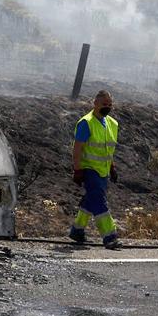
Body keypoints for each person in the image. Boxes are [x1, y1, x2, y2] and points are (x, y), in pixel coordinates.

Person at [68, 90, 122, 249]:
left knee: (90, 200)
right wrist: (77, 170)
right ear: (95, 103)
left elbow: (108, 149)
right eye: (104, 104)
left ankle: (77, 231)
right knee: (99, 201)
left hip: (103, 171)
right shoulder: (86, 123)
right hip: (89, 169)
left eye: (110, 104)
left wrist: (111, 166)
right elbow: (77, 149)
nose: (107, 107)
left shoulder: (112, 124)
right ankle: (109, 236)